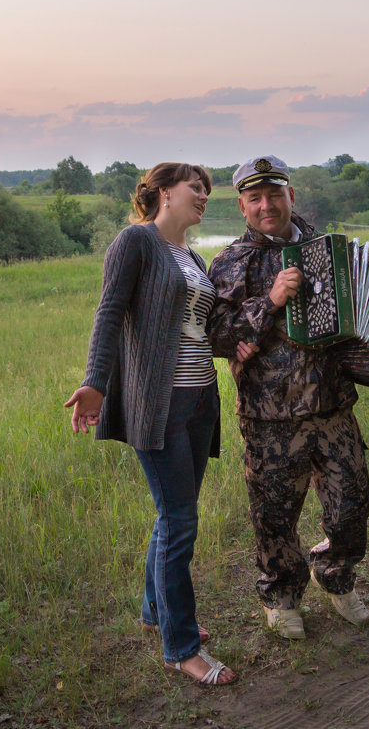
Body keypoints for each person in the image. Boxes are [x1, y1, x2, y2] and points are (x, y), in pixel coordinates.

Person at [207, 155, 369, 640]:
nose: (267, 205)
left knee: (353, 505)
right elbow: (216, 335)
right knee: (273, 517)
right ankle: (282, 596)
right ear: (242, 207)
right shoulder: (230, 262)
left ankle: (334, 575)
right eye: (255, 198)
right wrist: (269, 301)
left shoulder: (328, 252)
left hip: (333, 408)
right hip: (269, 417)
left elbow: (357, 324)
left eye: (275, 194)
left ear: (292, 196)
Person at [64, 162, 236, 685]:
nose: (205, 195)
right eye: (196, 187)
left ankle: (154, 610)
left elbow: (204, 330)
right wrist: (96, 380)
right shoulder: (135, 242)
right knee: (180, 522)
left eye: (208, 189)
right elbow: (110, 311)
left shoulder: (192, 256)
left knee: (173, 516)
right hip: (156, 404)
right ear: (163, 192)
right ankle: (180, 648)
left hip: (200, 400)